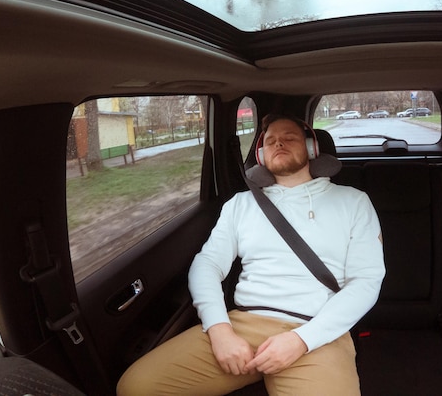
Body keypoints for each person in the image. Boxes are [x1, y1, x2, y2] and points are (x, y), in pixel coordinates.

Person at [117, 114, 385, 396]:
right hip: (243, 325)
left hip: (317, 331)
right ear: (260, 155)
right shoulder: (240, 205)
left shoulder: (353, 201)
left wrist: (301, 340)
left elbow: (366, 281)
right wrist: (220, 330)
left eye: (290, 138)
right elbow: (206, 264)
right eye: (270, 141)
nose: (279, 143)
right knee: (136, 387)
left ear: (311, 149)